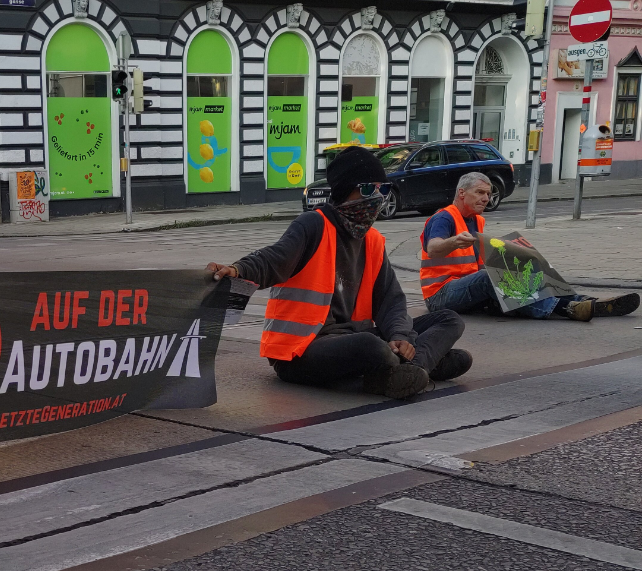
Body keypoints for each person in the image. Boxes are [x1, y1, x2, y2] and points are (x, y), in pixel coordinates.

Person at [207, 146, 471, 399]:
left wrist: (401, 337)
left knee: (449, 321)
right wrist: (237, 269)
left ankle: (406, 371)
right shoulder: (314, 224)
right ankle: (415, 366)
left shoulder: (373, 240)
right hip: (302, 350)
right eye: (368, 188)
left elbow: (391, 301)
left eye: (383, 189)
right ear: (345, 191)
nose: (377, 197)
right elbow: (275, 258)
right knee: (372, 347)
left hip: (355, 335)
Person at [421, 172, 638, 321]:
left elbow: (478, 263)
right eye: (479, 192)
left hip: (464, 289)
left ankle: (584, 302)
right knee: (489, 278)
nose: (486, 198)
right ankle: (565, 308)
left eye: (488, 193)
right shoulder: (444, 218)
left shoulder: (477, 220)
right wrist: (454, 241)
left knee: (526, 269)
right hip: (440, 295)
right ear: (462, 193)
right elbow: (433, 248)